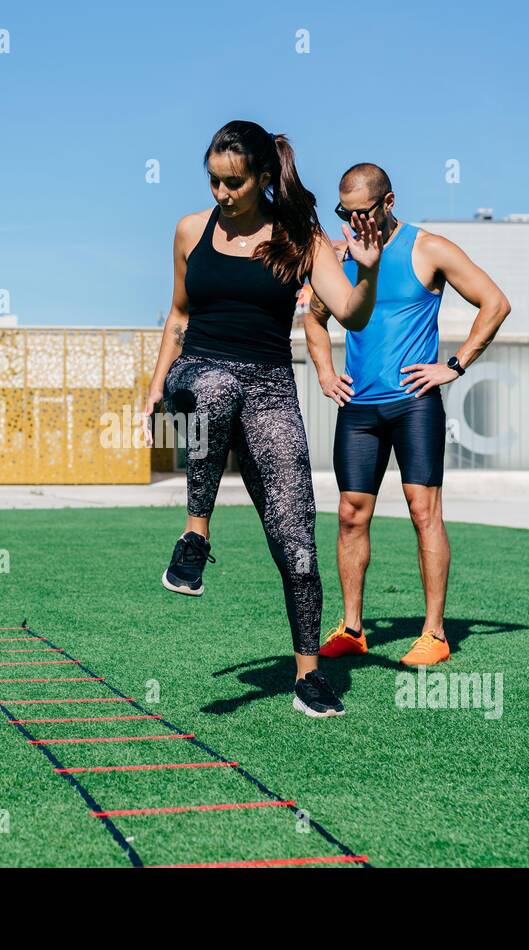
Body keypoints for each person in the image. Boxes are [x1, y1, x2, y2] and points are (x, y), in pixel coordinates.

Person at [142, 120, 381, 719]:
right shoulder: (190, 231)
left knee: (295, 533)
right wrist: (153, 390)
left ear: (264, 178)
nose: (221, 194)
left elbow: (350, 313)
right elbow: (177, 315)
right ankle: (195, 534)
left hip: (271, 388)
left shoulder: (300, 237)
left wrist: (368, 269)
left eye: (234, 183)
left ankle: (308, 675)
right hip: (198, 372)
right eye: (214, 181)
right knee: (218, 388)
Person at [305, 163, 510, 667]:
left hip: (414, 403)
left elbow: (495, 302)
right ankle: (352, 628)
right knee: (351, 515)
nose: (353, 223)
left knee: (424, 513)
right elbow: (312, 319)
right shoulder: (339, 255)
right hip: (360, 408)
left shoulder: (429, 248)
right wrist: (326, 374)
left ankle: (435, 633)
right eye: (344, 214)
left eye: (363, 212)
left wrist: (453, 367)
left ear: (389, 201)